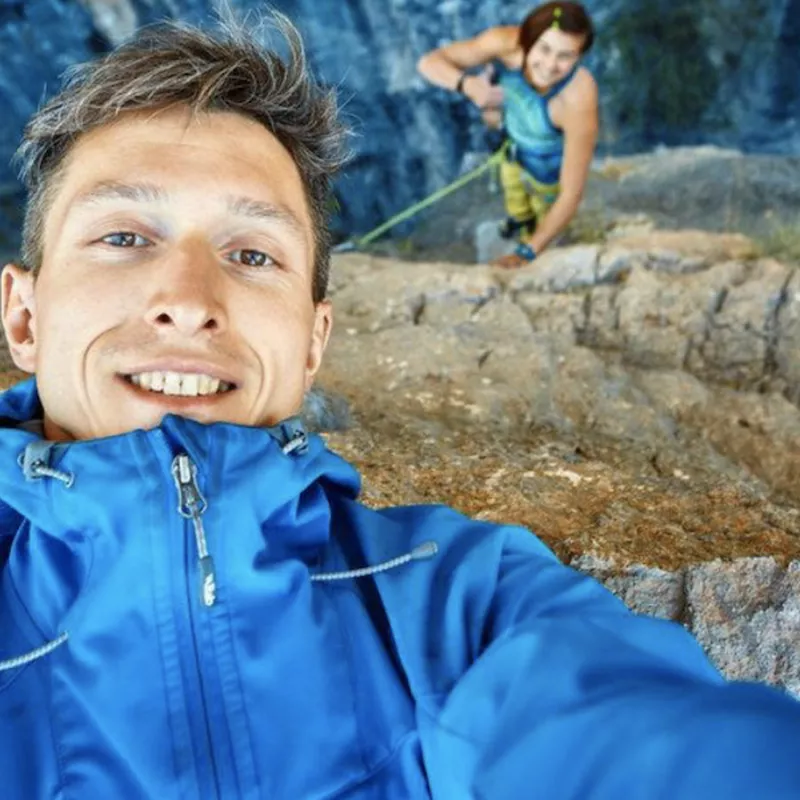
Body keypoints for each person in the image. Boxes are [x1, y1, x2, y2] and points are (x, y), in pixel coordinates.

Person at [1, 12, 799, 800]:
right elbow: (437, 67)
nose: (186, 300)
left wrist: (533, 244)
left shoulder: (462, 602)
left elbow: (636, 737)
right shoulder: (500, 52)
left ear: (313, 345)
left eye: (251, 254)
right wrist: (479, 89)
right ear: (24, 318)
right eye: (123, 237)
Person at [418, 2, 598, 268]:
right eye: (544, 49)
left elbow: (571, 193)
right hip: (511, 149)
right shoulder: (504, 44)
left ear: (579, 57)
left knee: (542, 209)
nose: (549, 66)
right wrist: (466, 85)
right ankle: (519, 219)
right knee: (514, 193)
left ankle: (533, 233)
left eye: (565, 56)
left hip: (547, 172)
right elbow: (428, 63)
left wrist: (527, 253)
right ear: (528, 40)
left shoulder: (578, 98)